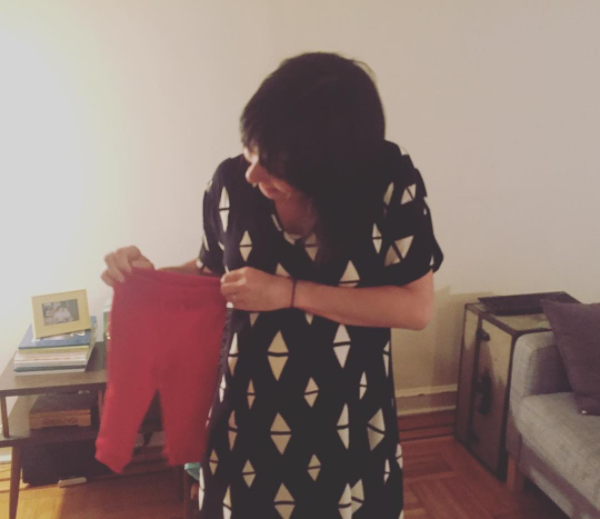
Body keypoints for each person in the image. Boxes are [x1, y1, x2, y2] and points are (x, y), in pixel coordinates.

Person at [102, 52, 443, 519]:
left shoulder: (387, 182)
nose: (253, 174)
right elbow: (213, 271)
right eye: (251, 150)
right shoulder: (229, 183)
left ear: (331, 168)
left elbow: (416, 308)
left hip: (348, 412)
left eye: (277, 166)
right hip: (247, 410)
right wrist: (149, 275)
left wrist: (289, 293)